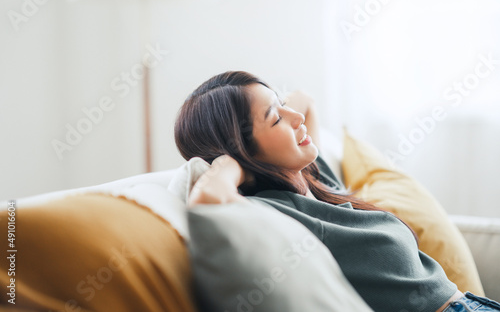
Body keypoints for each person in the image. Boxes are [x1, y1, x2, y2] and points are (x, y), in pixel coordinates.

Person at [174, 71, 500, 312]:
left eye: (281, 104)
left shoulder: (314, 181)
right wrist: (233, 163)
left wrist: (272, 110)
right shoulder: (277, 210)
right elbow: (208, 199)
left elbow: (306, 102)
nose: (296, 116)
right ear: (241, 149)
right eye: (276, 119)